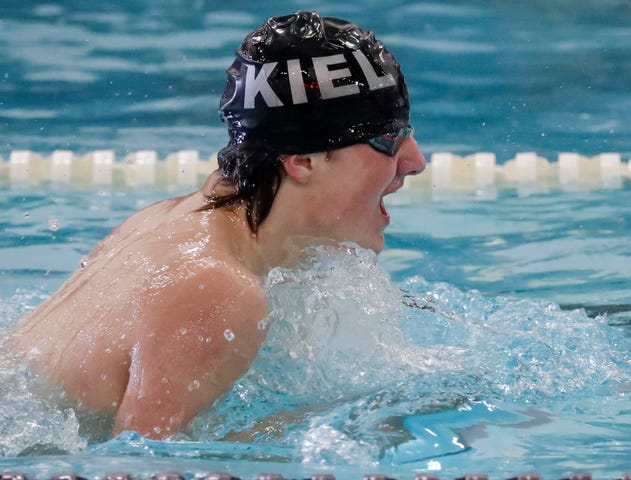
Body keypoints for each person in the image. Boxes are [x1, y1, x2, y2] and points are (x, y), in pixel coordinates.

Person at [9, 11, 426, 439]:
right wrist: (346, 421)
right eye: (388, 141)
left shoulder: (173, 219)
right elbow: (140, 461)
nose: (416, 161)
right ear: (304, 161)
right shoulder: (218, 288)